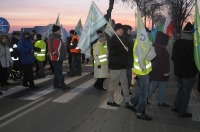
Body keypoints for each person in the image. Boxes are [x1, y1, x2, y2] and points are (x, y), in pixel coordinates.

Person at [126, 29, 156, 121]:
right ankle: (140, 112)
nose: (148, 35)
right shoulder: (142, 44)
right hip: (143, 72)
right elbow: (152, 55)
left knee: (143, 90)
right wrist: (151, 46)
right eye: (147, 33)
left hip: (143, 71)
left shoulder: (141, 42)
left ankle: (131, 103)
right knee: (144, 93)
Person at [171, 22, 198, 118]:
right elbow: (195, 60)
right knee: (186, 93)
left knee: (181, 89)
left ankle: (175, 106)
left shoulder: (177, 42)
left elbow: (173, 58)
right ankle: (182, 111)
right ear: (191, 33)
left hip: (178, 72)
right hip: (188, 73)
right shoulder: (193, 45)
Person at [106, 23, 130, 107]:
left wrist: (128, 49)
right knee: (113, 83)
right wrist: (123, 49)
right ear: (115, 30)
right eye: (119, 29)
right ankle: (110, 100)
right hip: (115, 66)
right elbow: (112, 52)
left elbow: (128, 49)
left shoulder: (124, 38)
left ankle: (128, 100)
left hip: (123, 65)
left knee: (125, 82)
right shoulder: (111, 40)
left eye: (122, 29)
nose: (121, 31)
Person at [148, 31, 170, 108]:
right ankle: (160, 101)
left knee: (155, 86)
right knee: (161, 87)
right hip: (161, 72)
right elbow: (163, 61)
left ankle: (146, 98)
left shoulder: (154, 45)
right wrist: (166, 71)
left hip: (155, 71)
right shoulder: (161, 48)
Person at [48, 24, 67, 90]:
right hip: (55, 58)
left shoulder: (58, 37)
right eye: (59, 30)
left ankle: (56, 85)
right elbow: (50, 48)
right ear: (56, 30)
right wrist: (56, 54)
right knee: (59, 72)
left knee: (57, 72)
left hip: (59, 58)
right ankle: (63, 86)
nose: (60, 31)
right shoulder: (52, 37)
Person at [122, 25, 134, 95]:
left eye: (130, 30)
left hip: (129, 60)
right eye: (129, 30)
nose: (130, 31)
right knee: (126, 77)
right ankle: (124, 91)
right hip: (125, 61)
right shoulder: (123, 39)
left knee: (129, 77)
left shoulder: (130, 37)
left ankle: (127, 90)